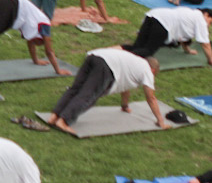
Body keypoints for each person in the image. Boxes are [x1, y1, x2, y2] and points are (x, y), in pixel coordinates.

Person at [35, 46, 168, 134]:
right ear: (154, 70)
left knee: (76, 89)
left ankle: (54, 116)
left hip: (94, 56)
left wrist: (124, 106)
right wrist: (160, 121)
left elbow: (125, 88)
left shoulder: (135, 62)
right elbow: (151, 98)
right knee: (88, 95)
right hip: (105, 66)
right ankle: (63, 121)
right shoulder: (147, 70)